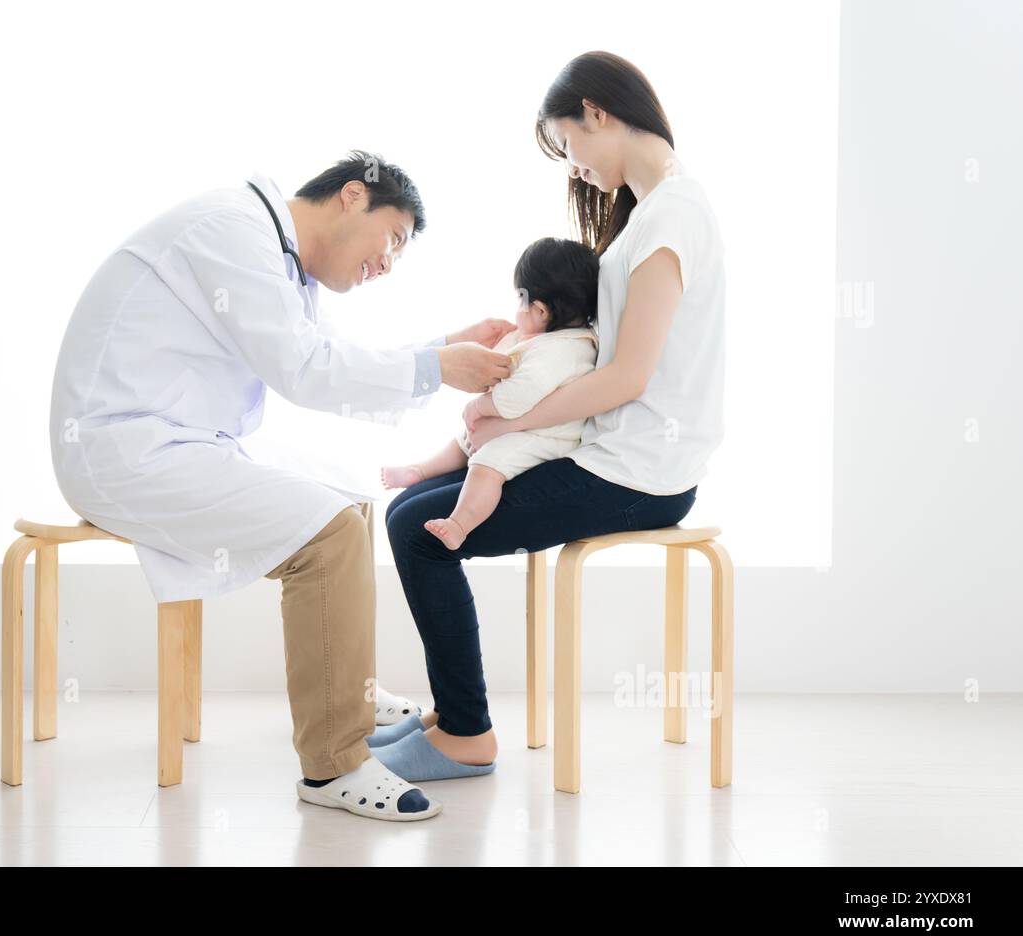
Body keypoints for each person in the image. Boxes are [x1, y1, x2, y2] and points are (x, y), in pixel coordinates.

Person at [49, 151, 514, 822]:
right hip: (120, 448)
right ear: (353, 196)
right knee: (327, 536)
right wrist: (438, 365)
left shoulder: (276, 256)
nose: (388, 263)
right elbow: (307, 370)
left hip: (173, 436)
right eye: (394, 239)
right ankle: (334, 767)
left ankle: (347, 698)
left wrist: (442, 348)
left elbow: (324, 357)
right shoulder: (233, 232)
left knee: (348, 493)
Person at [369, 51, 726, 783]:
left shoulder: (672, 216)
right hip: (611, 452)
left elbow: (627, 376)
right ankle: (452, 715)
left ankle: (467, 735)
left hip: (641, 470)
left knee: (415, 530)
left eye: (568, 145)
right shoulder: (652, 215)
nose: (573, 168)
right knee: (412, 508)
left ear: (597, 113)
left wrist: (510, 427)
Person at [380, 237, 600, 551]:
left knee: (487, 464)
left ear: (539, 311)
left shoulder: (562, 351)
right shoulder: (548, 339)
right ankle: (421, 470)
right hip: (524, 426)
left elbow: (517, 397)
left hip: (546, 439)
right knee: (464, 440)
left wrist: (479, 406)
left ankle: (459, 523)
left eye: (519, 299)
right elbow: (507, 369)